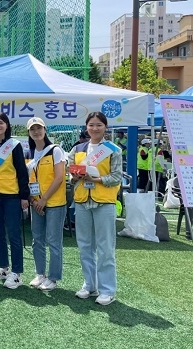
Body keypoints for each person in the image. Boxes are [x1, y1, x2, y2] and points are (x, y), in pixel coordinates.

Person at [68, 111, 122, 306]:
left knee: (105, 247)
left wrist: (96, 179)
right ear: (86, 126)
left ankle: (107, 289)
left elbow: (117, 177)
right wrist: (74, 177)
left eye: (99, 124)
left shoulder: (113, 149)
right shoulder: (78, 149)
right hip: (82, 201)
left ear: (105, 127)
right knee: (84, 246)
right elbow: (70, 174)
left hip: (104, 202)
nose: (94, 128)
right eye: (91, 124)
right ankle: (89, 285)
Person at [0, 112, 30, 289]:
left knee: (14, 234)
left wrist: (24, 196)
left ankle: (16, 273)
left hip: (11, 194)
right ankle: (3, 267)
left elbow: (21, 171)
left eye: (1, 123)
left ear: (7, 125)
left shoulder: (14, 145)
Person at [25, 117, 66, 291]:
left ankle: (53, 277)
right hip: (37, 204)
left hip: (54, 203)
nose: (36, 131)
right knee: (37, 240)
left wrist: (43, 199)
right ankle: (40, 274)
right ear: (29, 132)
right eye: (32, 129)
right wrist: (35, 201)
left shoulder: (55, 151)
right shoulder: (30, 153)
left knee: (53, 240)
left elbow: (59, 178)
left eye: (39, 128)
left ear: (45, 129)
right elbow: (29, 180)